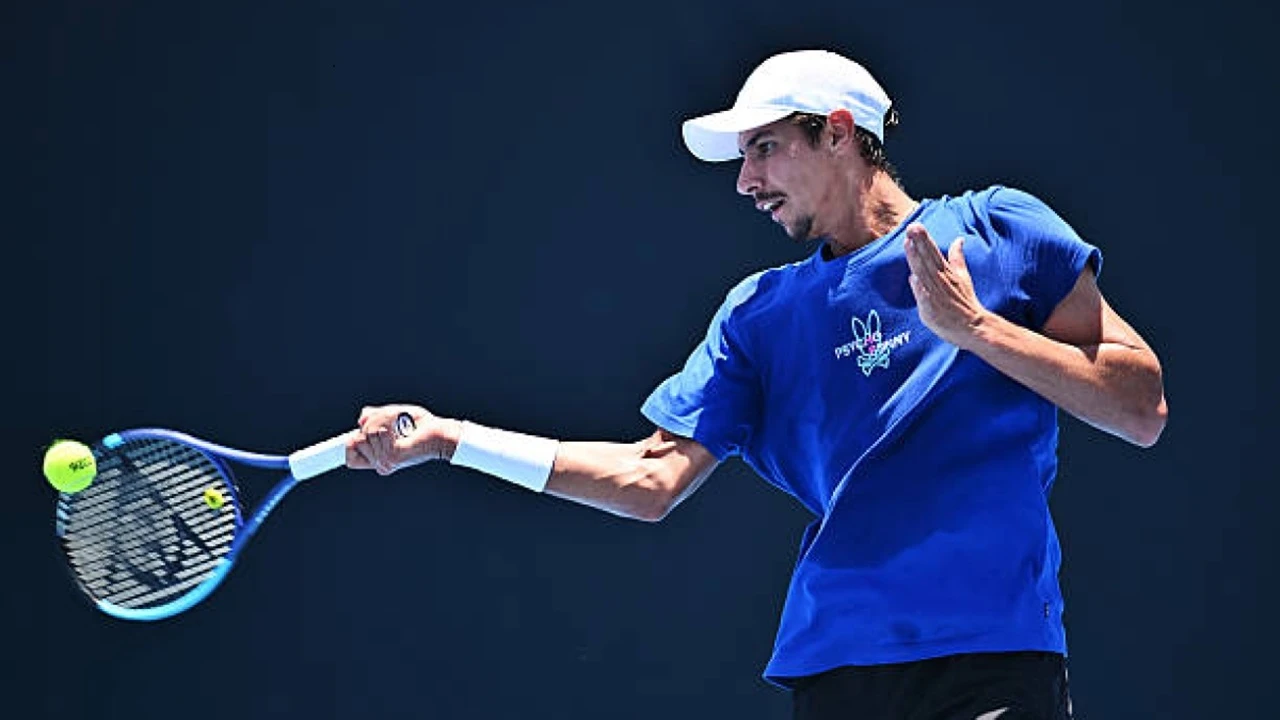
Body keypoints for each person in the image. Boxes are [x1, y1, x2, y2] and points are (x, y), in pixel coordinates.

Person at [347, 49, 1168, 719]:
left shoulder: (997, 229)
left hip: (995, 659)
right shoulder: (760, 316)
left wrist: (978, 330)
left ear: (838, 132)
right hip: (838, 670)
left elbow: (1141, 408)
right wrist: (452, 440)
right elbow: (649, 480)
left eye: (764, 147)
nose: (745, 180)